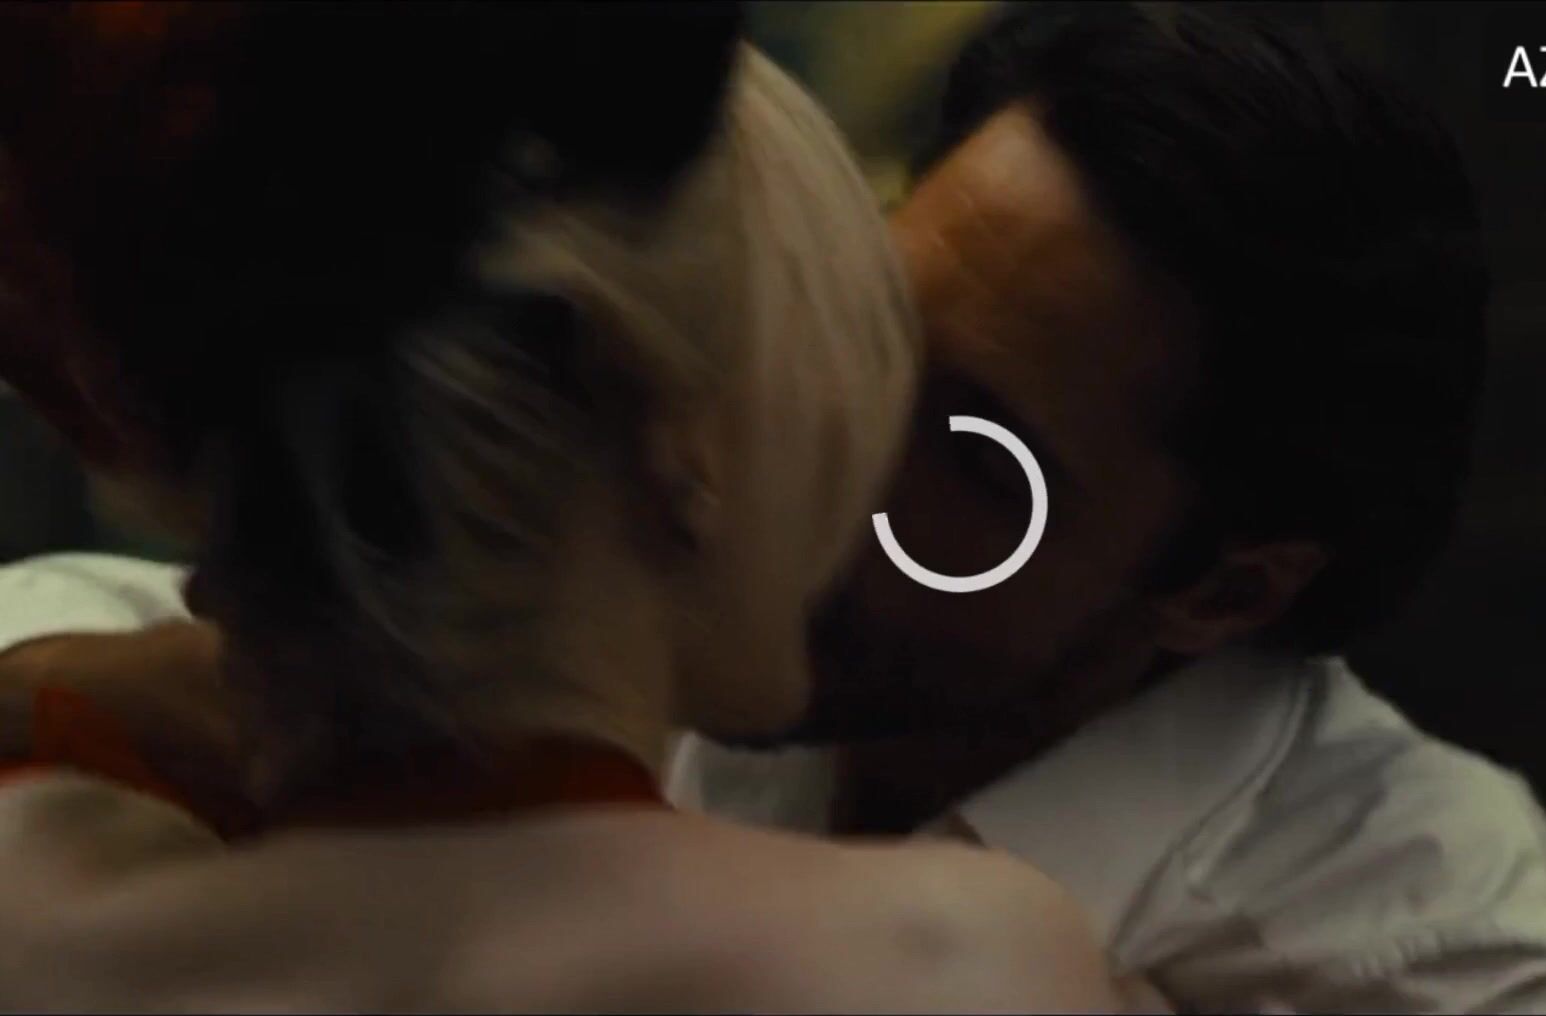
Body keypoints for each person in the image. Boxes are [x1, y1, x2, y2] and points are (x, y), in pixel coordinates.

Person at [1, 5, 1546, 1012]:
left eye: (974, 461)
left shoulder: (1429, 948)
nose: (843, 453)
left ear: (1224, 588)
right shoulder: (658, 598)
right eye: (868, 337)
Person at [0, 8, 1122, 1012]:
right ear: (680, 430)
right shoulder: (946, 958)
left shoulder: (39, 892)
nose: (877, 493)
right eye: (839, 370)